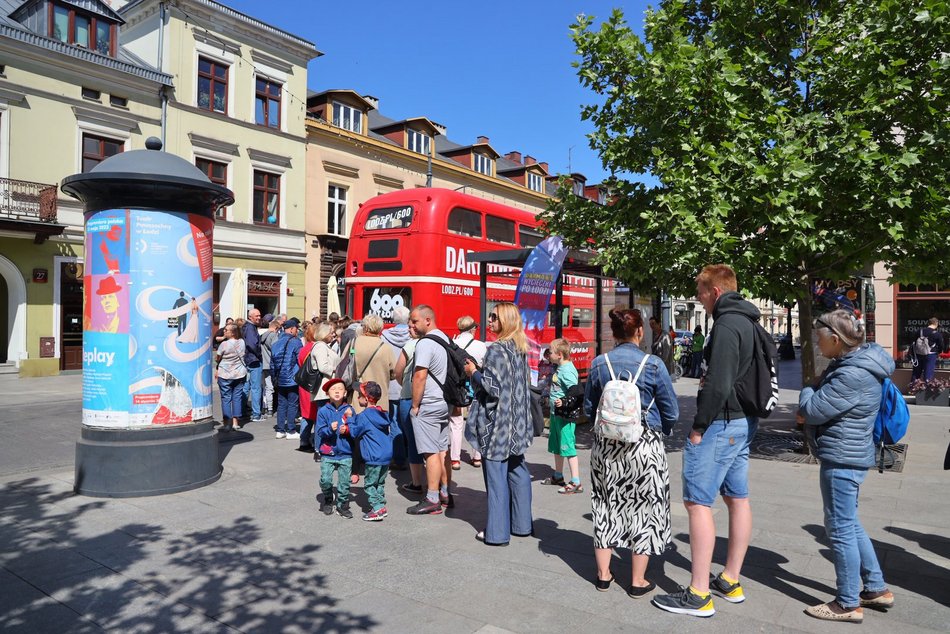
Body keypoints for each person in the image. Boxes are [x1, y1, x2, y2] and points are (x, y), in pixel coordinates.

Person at [653, 264, 759, 618]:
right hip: (743, 421)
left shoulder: (727, 325)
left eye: (699, 293)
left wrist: (698, 426)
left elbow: (719, 382)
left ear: (714, 292)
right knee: (737, 498)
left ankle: (698, 593)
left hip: (721, 423)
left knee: (698, 503)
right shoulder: (750, 320)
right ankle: (730, 579)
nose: (699, 298)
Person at [798, 309, 895, 623]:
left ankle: (847, 602)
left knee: (839, 530)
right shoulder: (856, 363)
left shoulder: (851, 373)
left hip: (842, 457)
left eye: (819, 336)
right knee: (849, 522)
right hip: (850, 453)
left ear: (836, 340)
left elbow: (811, 410)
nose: (816, 341)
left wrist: (809, 385)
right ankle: (876, 588)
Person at [586, 308, 679, 597]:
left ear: (613, 333)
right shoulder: (653, 365)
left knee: (604, 504)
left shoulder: (600, 364)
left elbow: (590, 409)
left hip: (606, 447)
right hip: (644, 446)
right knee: (644, 508)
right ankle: (637, 581)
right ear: (640, 331)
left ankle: (603, 575)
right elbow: (671, 411)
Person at [463, 302, 534, 545]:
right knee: (518, 471)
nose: (490, 320)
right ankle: (522, 525)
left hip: (498, 425)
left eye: (494, 317)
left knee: (495, 477)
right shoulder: (520, 347)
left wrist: (473, 371)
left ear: (505, 321)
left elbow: (492, 388)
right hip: (518, 422)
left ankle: (497, 532)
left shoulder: (496, 350)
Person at [406, 305, 453, 515]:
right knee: (444, 451)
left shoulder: (425, 343)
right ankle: (445, 493)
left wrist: (415, 405)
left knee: (431, 452)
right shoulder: (444, 337)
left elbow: (420, 376)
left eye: (414, 321)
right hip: (444, 403)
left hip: (429, 404)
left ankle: (432, 498)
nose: (411, 325)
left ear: (427, 320)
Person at [350, 314, 395, 482]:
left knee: (357, 432)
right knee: (378, 433)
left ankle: (355, 470)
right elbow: (393, 373)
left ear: (365, 327)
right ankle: (377, 470)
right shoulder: (385, 347)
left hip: (359, 395)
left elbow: (346, 367)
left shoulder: (355, 343)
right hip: (379, 397)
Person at [347, 381, 393, 521]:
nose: (357, 397)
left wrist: (349, 418)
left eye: (359, 395)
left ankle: (377, 508)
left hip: (373, 456)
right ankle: (381, 505)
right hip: (386, 455)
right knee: (380, 482)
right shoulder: (382, 413)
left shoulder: (364, 416)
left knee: (369, 484)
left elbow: (355, 432)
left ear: (366, 399)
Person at [543, 337, 582, 494]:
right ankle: (558, 476)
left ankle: (576, 481)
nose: (548, 354)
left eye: (550, 352)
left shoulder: (567, 370)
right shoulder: (560, 368)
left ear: (559, 354)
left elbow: (577, 391)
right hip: (556, 415)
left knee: (568, 448)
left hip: (565, 418)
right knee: (557, 447)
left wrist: (564, 401)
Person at [449, 315, 488, 470]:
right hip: (476, 385)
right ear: (473, 329)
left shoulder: (453, 343)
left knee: (456, 422)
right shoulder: (481, 345)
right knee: (477, 419)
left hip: (458, 387)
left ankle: (455, 459)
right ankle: (477, 456)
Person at [315, 378, 356, 518]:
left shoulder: (350, 409)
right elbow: (320, 432)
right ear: (327, 393)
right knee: (325, 480)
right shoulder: (323, 411)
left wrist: (348, 429)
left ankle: (342, 505)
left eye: (340, 389)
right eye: (333, 389)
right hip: (328, 452)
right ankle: (328, 498)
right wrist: (330, 429)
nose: (337, 391)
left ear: (345, 393)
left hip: (345, 452)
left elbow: (356, 429)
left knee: (344, 482)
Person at [393, 324, 425, 493]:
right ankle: (441, 486)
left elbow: (398, 371)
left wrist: (405, 383)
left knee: (413, 440)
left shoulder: (410, 345)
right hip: (432, 397)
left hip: (409, 395)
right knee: (435, 443)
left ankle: (417, 482)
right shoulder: (436, 343)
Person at [382, 306, 413, 469]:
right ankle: (413, 455)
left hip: (391, 385)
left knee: (394, 423)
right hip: (409, 385)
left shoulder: (385, 336)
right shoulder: (413, 336)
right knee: (410, 421)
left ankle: (399, 458)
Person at [304, 322, 341, 457]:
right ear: (324, 333)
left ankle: (323, 447)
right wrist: (336, 369)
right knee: (323, 420)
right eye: (331, 332)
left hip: (326, 388)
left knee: (325, 419)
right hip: (322, 389)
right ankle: (319, 449)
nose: (333, 334)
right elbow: (323, 367)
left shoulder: (324, 346)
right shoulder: (320, 347)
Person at [270, 318, 302, 440]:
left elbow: (273, 364)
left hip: (280, 378)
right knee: (292, 404)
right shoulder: (296, 342)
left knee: (281, 404)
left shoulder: (276, 343)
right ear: (292, 329)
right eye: (296, 329)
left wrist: (274, 378)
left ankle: (280, 430)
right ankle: (291, 430)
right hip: (292, 378)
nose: (297, 331)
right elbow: (301, 360)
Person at [214, 322, 247, 432]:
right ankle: (235, 422)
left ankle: (227, 424)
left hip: (225, 374)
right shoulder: (242, 342)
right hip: (240, 373)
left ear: (232, 333)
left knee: (226, 398)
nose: (224, 331)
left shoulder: (224, 344)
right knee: (237, 397)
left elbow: (217, 358)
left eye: (226, 330)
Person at [242, 308, 264, 423]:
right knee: (255, 388)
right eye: (257, 316)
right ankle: (256, 414)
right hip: (254, 360)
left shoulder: (247, 327)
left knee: (246, 387)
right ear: (250, 317)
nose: (259, 318)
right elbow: (252, 344)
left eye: (260, 315)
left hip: (248, 360)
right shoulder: (250, 328)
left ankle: (242, 412)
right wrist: (259, 354)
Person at [911, 317, 944, 381]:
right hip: (930, 355)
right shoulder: (937, 334)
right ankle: (926, 389)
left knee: (916, 374)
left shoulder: (919, 331)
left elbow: (914, 342)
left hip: (918, 354)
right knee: (928, 374)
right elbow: (941, 346)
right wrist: (939, 352)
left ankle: (912, 389)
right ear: (936, 324)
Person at [260, 315, 280, 418]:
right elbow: (275, 350)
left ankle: (264, 407)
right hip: (269, 364)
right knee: (270, 387)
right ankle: (270, 408)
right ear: (276, 328)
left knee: (263, 387)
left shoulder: (262, 335)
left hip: (262, 364)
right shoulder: (273, 336)